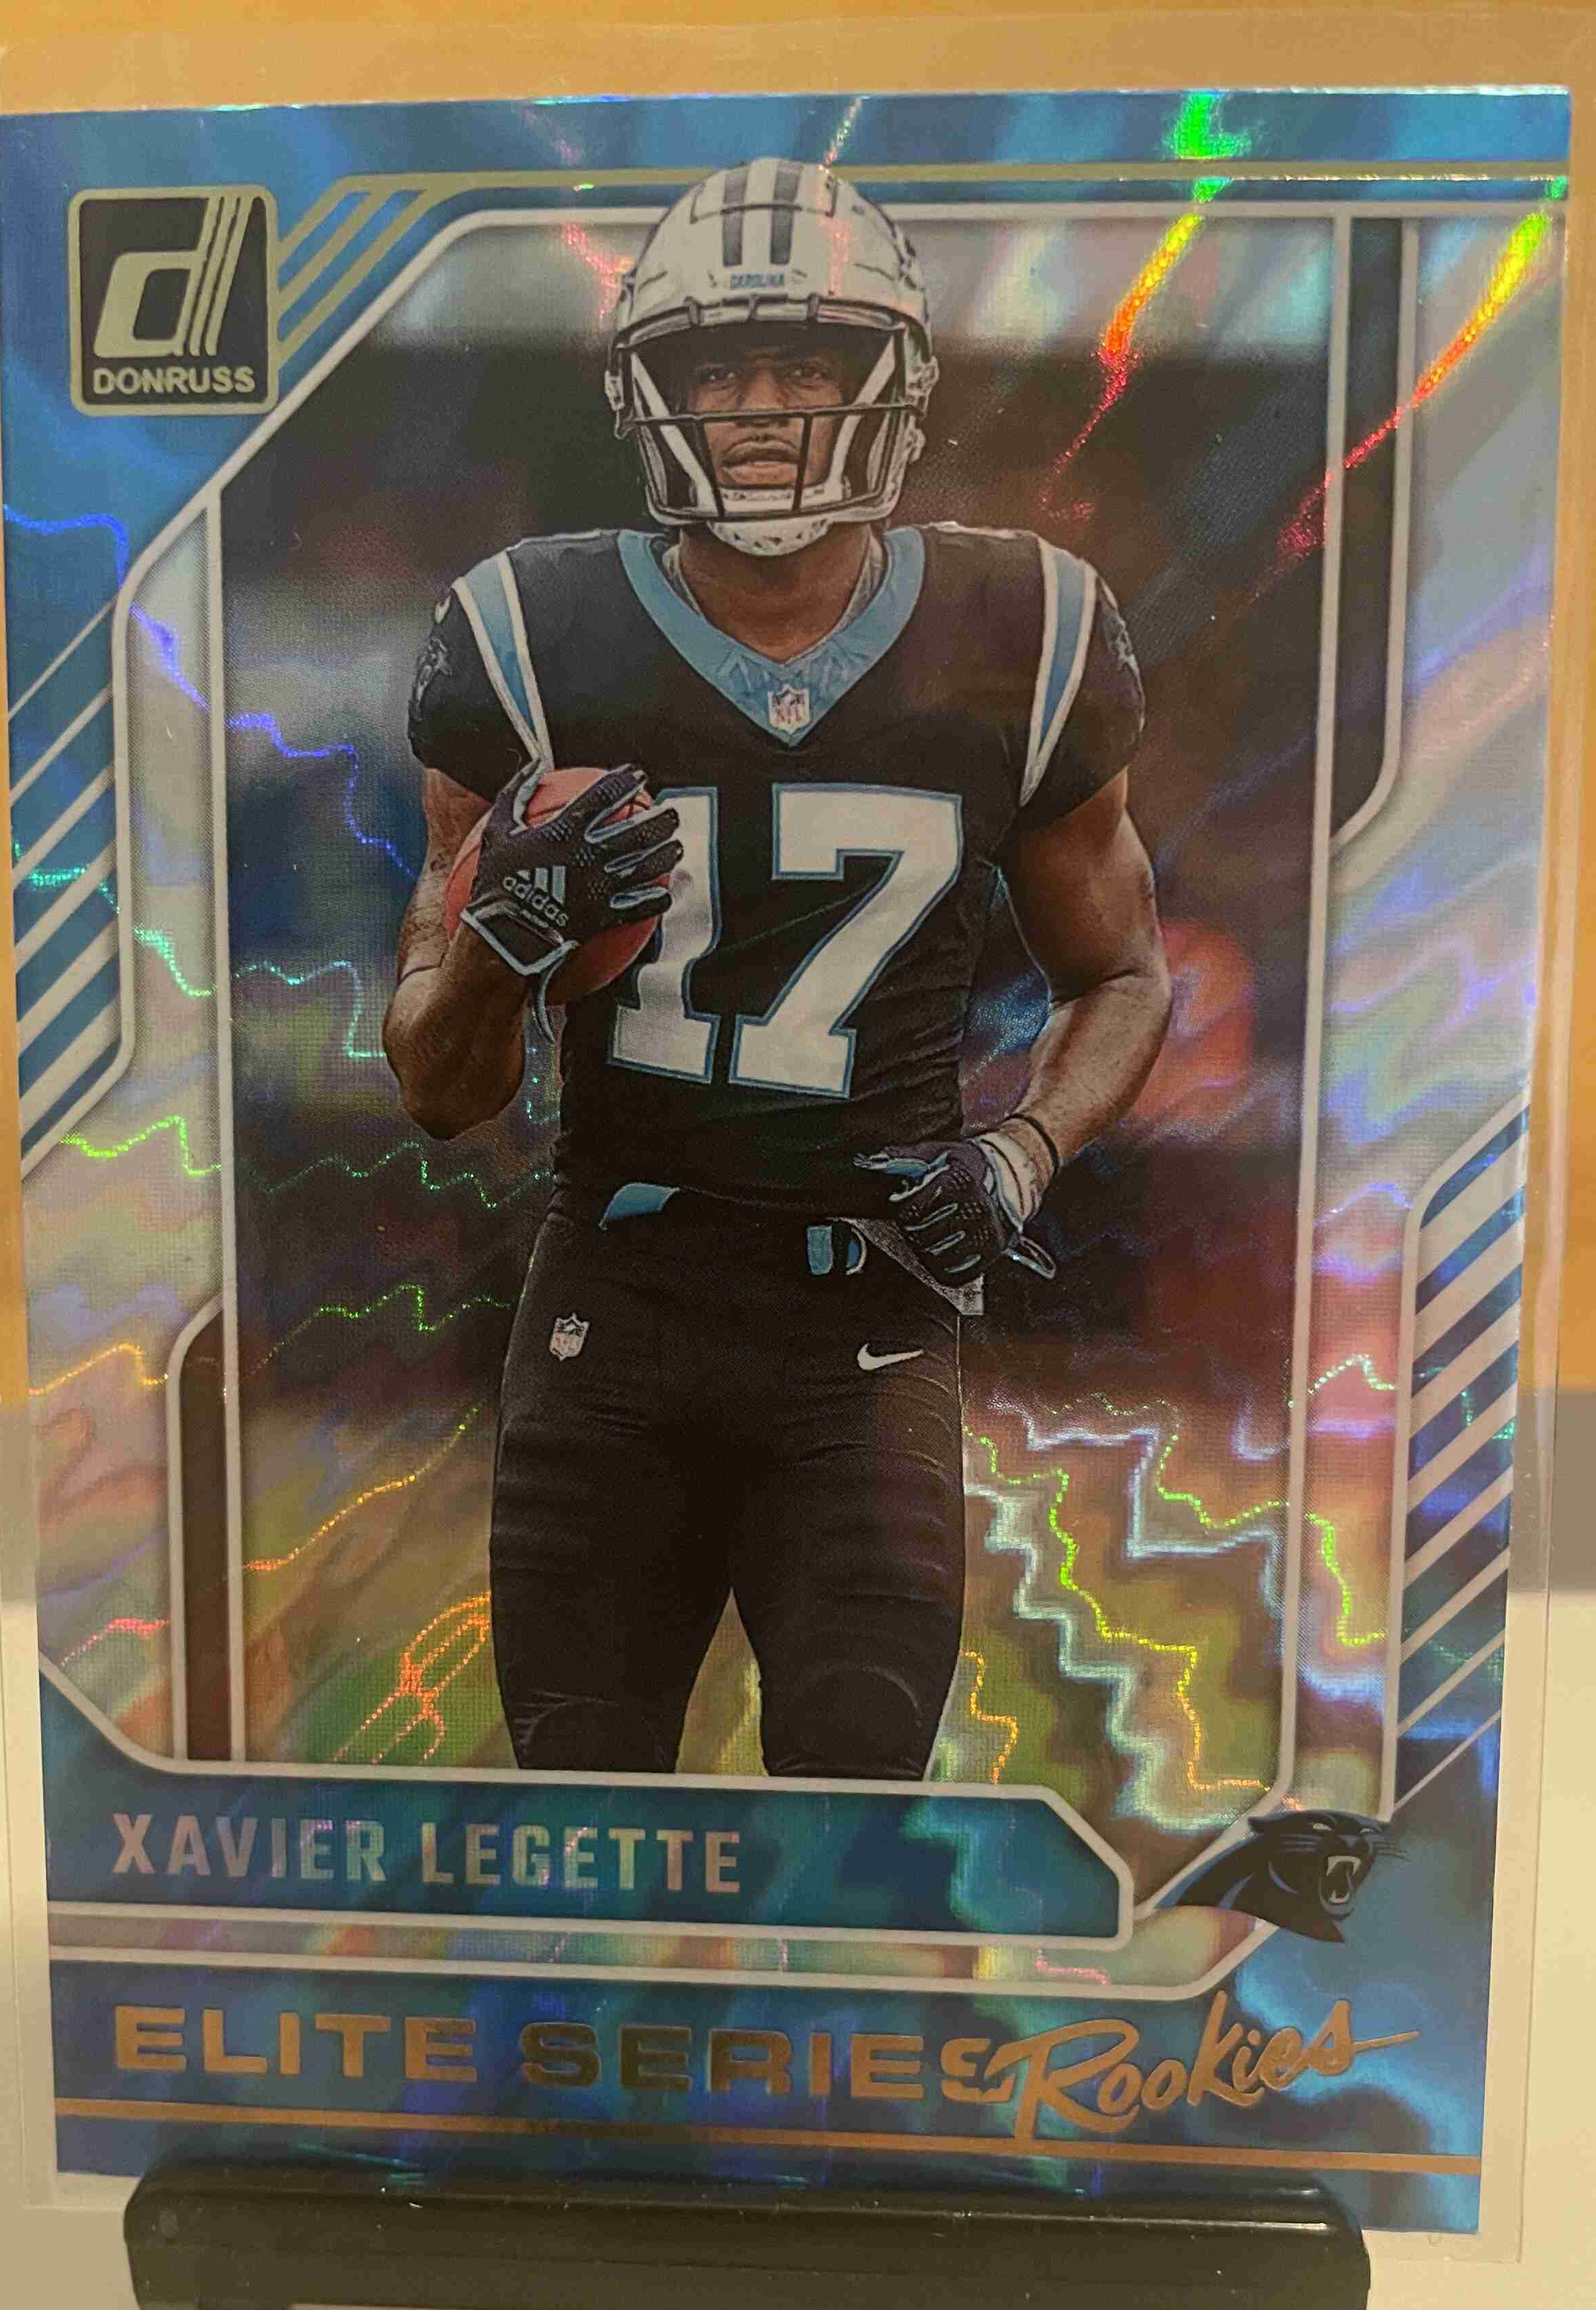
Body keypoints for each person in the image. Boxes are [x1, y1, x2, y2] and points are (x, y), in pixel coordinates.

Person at [383, 159, 1170, 1781]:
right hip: (615, 1303)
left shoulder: (1021, 627)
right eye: (716, 370)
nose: (758, 409)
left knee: (852, 1809)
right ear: (647, 396)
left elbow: (1126, 974)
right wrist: (503, 947)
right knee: (584, 1819)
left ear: (894, 380)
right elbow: (439, 1088)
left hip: (864, 1322)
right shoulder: (529, 636)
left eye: (803, 361)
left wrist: (1022, 1154)